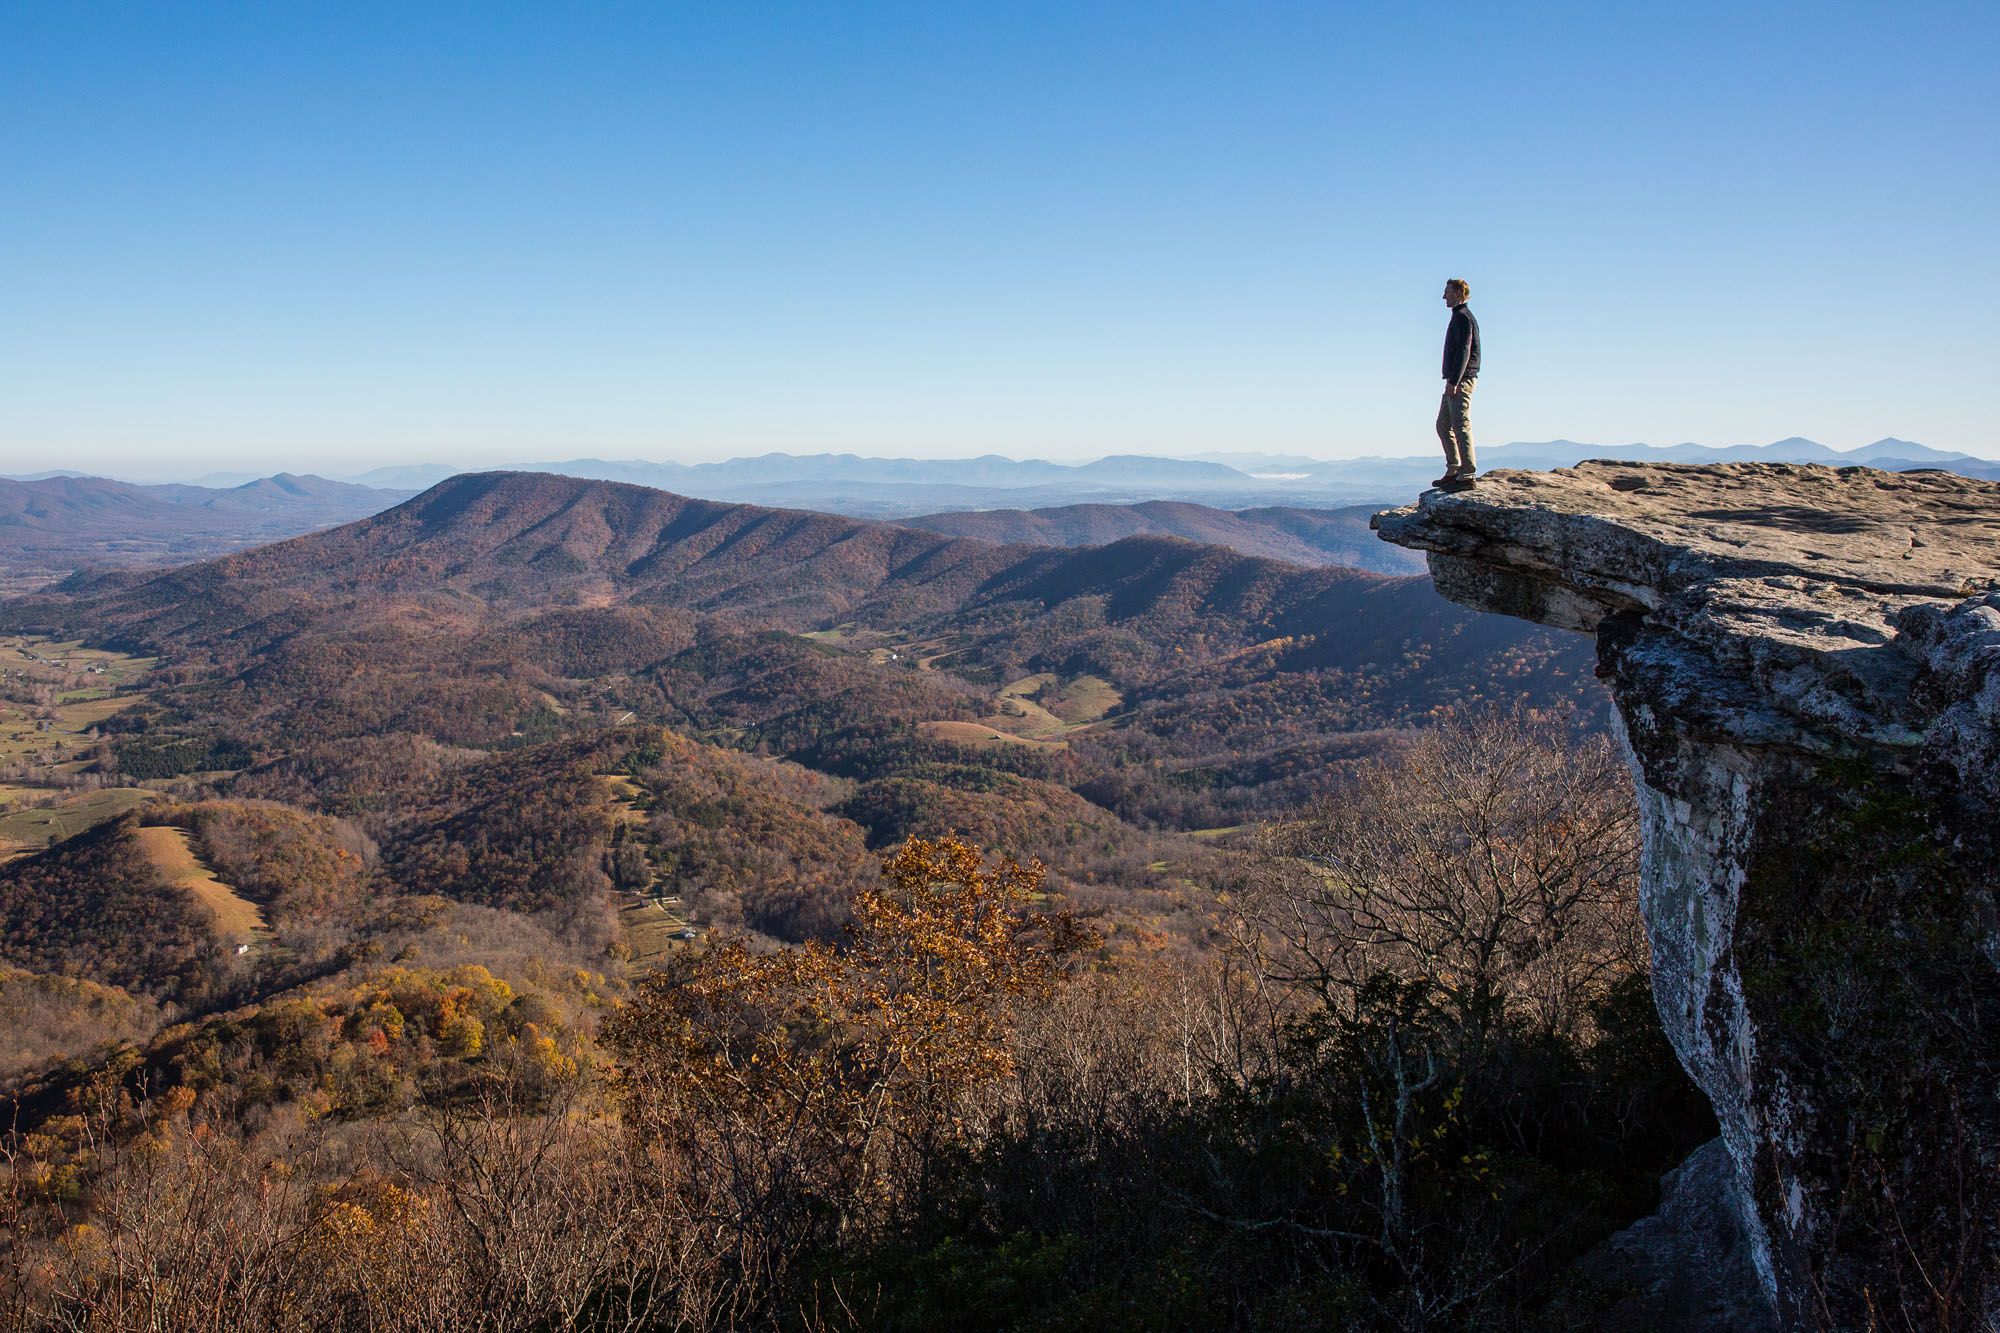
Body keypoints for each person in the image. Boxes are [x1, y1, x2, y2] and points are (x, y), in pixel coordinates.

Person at [1435, 278, 1480, 488]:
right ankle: (1454, 468)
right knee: (1443, 424)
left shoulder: (1463, 318)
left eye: (1447, 292)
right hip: (1455, 380)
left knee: (1460, 425)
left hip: (1461, 380)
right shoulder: (1458, 317)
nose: (1444, 296)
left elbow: (1464, 350)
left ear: (1459, 293)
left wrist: (1454, 380)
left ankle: (1468, 474)